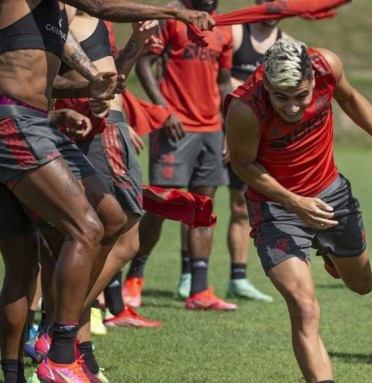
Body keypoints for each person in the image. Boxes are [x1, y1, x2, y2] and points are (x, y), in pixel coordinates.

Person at [0, 0, 213, 380]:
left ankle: (20, 371)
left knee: (99, 225)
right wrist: (178, 13)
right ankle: (62, 352)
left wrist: (88, 85)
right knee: (87, 229)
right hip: (12, 125)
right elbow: (99, 6)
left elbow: (49, 70)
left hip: (32, 122)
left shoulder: (48, 14)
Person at [224, 38, 372, 383]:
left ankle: (330, 255)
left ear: (313, 79)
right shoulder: (245, 108)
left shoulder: (328, 65)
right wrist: (295, 203)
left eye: (301, 96)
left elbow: (350, 98)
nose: (292, 108)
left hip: (331, 195)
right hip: (276, 209)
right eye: (280, 97)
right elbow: (241, 163)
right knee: (304, 306)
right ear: (266, 84)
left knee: (361, 285)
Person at [132, 0, 237, 310]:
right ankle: (134, 278)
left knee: (203, 210)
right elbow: (143, 65)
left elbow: (224, 81)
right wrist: (163, 110)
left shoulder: (226, 27)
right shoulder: (173, 19)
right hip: (174, 129)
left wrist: (227, 127)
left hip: (211, 130)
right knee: (161, 205)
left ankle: (200, 291)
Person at [218, 0, 292, 303]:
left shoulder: (286, 43)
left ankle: (239, 277)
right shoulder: (236, 33)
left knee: (254, 207)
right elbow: (223, 83)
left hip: (264, 139)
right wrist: (227, 130)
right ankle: (189, 278)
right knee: (221, 204)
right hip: (230, 130)